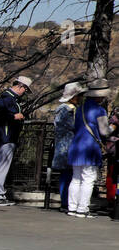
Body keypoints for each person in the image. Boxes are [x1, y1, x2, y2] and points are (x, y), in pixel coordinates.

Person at [66, 78, 111, 217]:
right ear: (101, 96)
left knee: (76, 178)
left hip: (76, 145)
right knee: (88, 179)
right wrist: (113, 126)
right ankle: (82, 209)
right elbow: (105, 132)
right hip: (90, 148)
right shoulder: (100, 110)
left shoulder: (79, 109)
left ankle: (72, 207)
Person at [0, 74, 31, 207]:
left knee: (2, 166)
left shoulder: (11, 98)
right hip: (6, 137)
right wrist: (14, 116)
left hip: (8, 137)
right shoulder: (7, 97)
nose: (25, 92)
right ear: (20, 86)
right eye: (25, 89)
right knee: (2, 167)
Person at [48, 82, 84, 213]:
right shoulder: (68, 110)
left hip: (64, 146)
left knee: (67, 175)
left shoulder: (63, 109)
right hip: (68, 146)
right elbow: (73, 126)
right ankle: (66, 202)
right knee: (68, 175)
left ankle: (66, 202)